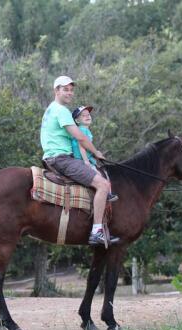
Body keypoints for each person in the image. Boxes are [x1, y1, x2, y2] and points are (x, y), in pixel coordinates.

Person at [40, 76, 119, 246]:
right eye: (65, 89)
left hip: (51, 156)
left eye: (71, 90)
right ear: (56, 91)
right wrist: (96, 152)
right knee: (103, 185)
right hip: (61, 159)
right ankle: (97, 231)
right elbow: (80, 138)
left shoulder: (51, 109)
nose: (69, 93)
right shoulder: (61, 111)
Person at [71, 105, 118, 202]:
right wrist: (86, 161)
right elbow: (81, 146)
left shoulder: (85, 130)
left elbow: (87, 148)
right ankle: (106, 194)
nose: (87, 116)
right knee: (98, 175)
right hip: (81, 159)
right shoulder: (82, 129)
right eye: (83, 115)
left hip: (86, 158)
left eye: (88, 114)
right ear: (77, 121)